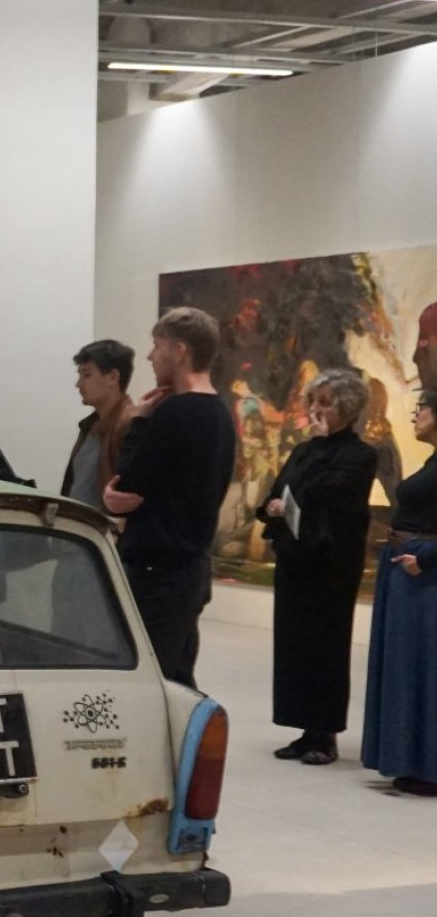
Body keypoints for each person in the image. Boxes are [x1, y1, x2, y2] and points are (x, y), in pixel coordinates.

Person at [104, 307, 239, 688]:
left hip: (158, 570)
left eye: (157, 345)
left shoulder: (176, 412)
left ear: (180, 351)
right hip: (190, 568)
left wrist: (138, 421)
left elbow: (126, 484)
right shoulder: (219, 413)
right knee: (177, 679)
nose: (151, 356)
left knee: (152, 681)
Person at [259, 369, 378, 766]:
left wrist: (316, 452)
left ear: (348, 406)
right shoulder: (304, 450)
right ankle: (303, 728)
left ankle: (324, 734)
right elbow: (280, 489)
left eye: (324, 402)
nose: (315, 409)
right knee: (293, 645)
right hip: (295, 559)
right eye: (313, 401)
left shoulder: (361, 455)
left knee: (326, 646)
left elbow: (326, 490)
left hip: (331, 565)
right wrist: (272, 506)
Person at [361, 388, 437, 796]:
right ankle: (412, 759)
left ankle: (428, 765)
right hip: (409, 567)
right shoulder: (432, 461)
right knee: (407, 670)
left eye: (423, 409)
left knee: (422, 672)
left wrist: (425, 556)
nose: (417, 416)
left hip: (422, 573)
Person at [61, 340, 137, 511]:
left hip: (103, 526)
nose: (79, 384)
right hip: (78, 524)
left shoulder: (130, 426)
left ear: (113, 377)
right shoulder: (89, 426)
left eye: (87, 375)